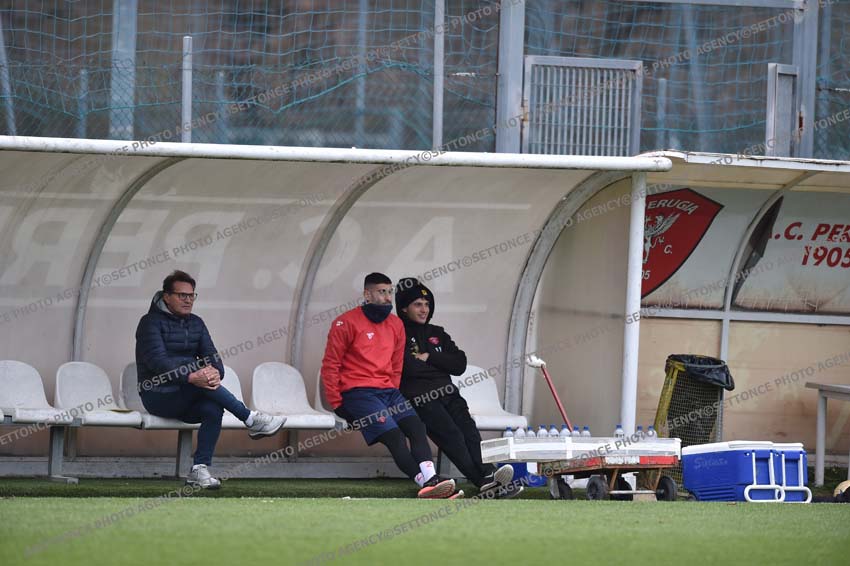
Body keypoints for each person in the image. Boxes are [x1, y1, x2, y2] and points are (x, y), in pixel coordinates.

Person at [135, 270, 286, 489]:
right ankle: (250, 419)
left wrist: (213, 372)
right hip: (157, 395)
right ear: (166, 296)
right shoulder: (149, 323)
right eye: (182, 295)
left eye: (191, 295)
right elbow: (157, 362)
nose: (188, 300)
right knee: (202, 385)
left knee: (213, 408)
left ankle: (199, 469)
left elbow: (214, 360)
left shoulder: (197, 323)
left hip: (187, 396)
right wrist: (191, 376)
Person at [321, 272, 458, 499]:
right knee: (394, 437)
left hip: (389, 392)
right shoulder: (345, 322)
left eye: (389, 292)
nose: (387, 297)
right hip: (359, 393)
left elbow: (396, 365)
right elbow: (331, 365)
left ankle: (431, 480)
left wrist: (392, 389)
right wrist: (337, 403)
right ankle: (426, 483)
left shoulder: (395, 324)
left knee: (417, 428)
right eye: (381, 292)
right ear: (367, 295)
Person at [395, 277, 521, 499]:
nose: (424, 309)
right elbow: (408, 368)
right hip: (421, 397)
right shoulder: (397, 332)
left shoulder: (437, 332)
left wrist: (430, 357)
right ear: (404, 308)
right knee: (452, 436)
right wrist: (440, 364)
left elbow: (459, 364)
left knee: (469, 431)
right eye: (417, 304)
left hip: (449, 393)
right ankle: (484, 480)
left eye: (427, 304)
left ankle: (488, 476)